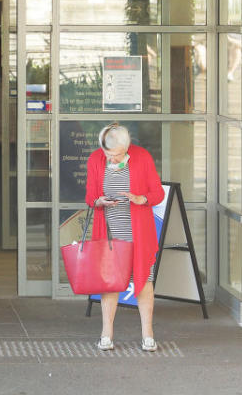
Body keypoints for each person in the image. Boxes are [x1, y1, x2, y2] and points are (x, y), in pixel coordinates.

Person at [85, 123, 165, 353]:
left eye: (117, 155)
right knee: (109, 282)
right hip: (109, 232)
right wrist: (98, 201)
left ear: (127, 148)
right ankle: (106, 334)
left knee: (143, 280)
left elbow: (157, 193)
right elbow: (90, 196)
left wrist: (141, 199)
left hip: (137, 231)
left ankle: (147, 334)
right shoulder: (95, 159)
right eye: (108, 155)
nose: (111, 159)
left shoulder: (142, 157)